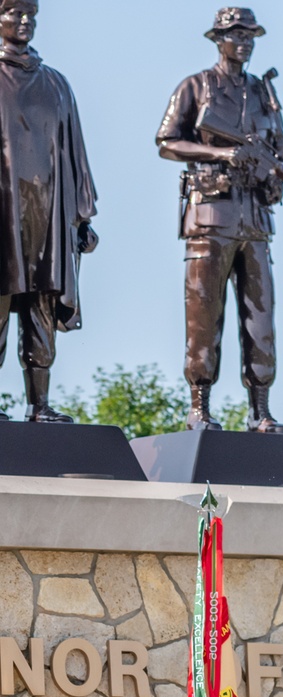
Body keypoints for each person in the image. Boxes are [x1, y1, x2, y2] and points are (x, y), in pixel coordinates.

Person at [156, 7, 283, 435]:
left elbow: (280, 156)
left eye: (250, 35)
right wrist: (221, 153)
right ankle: (200, 406)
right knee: (203, 314)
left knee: (260, 318)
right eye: (236, 35)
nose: (244, 42)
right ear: (218, 39)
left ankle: (261, 410)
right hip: (210, 215)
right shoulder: (195, 86)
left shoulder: (264, 94)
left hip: (255, 220)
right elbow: (167, 141)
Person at [0, 0, 98, 423]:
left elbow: (75, 151)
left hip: (47, 213)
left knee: (41, 304)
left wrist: (83, 215)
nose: (24, 21)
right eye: (13, 12)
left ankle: (39, 405)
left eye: (30, 15)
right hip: (3, 211)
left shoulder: (55, 83)